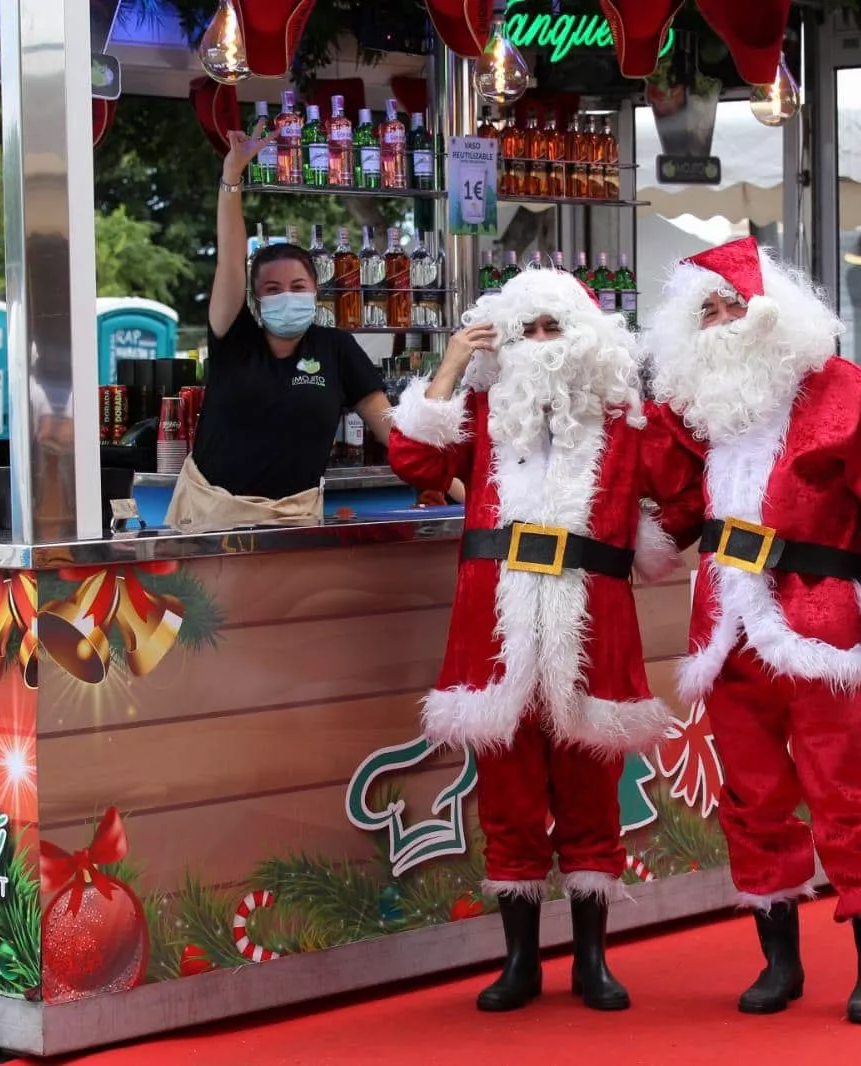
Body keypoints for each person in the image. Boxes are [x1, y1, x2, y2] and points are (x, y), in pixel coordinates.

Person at [642, 237, 861, 1023]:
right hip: (725, 631)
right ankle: (780, 963)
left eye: (733, 304)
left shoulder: (849, 394)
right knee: (751, 797)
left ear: (776, 310)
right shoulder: (693, 411)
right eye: (705, 310)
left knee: (844, 794)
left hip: (823, 628)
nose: (722, 321)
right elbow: (673, 512)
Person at [387, 267, 681, 1013]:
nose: (542, 346)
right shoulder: (483, 408)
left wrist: (644, 542)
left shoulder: (627, 418)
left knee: (591, 800)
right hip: (495, 632)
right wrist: (452, 363)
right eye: (527, 332)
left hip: (593, 627)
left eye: (554, 328)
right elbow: (414, 462)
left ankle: (591, 961)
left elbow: (687, 495)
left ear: (586, 335)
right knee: (508, 801)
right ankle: (519, 964)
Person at [169, 118, 451, 530]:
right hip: (212, 516)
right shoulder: (234, 336)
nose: (286, 294)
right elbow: (229, 259)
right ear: (255, 298)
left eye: (297, 285)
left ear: (316, 291)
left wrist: (459, 485)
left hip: (294, 521)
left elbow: (392, 432)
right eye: (272, 287)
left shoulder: (335, 348)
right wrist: (232, 177)